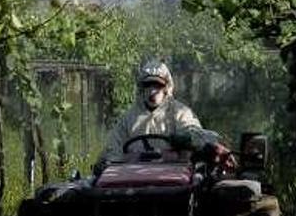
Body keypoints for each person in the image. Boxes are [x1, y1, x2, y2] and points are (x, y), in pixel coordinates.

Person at [94, 59, 233, 174]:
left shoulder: (180, 112)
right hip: (133, 176)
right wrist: (108, 163)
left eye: (158, 85)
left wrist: (187, 138)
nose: (153, 90)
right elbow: (113, 147)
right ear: (141, 88)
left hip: (173, 175)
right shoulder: (128, 118)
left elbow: (196, 132)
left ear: (166, 88)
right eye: (148, 85)